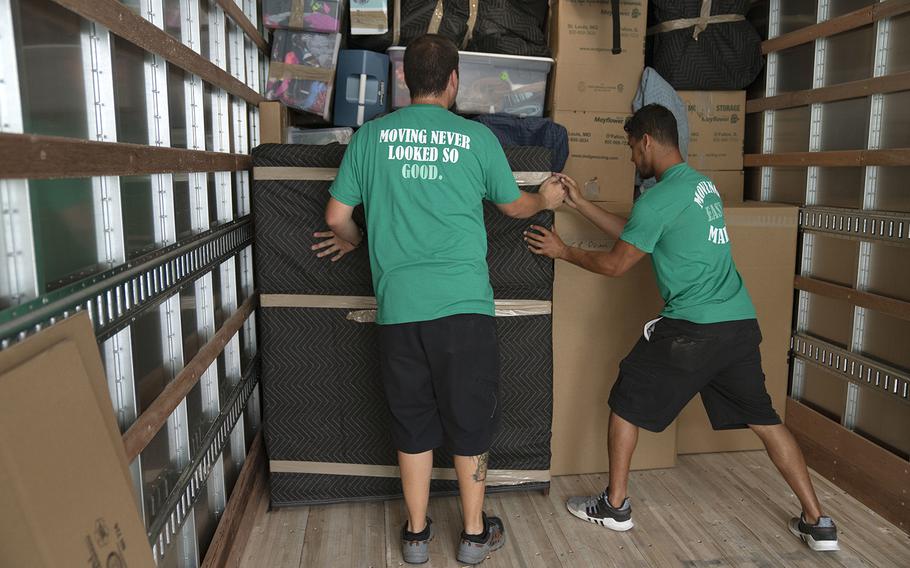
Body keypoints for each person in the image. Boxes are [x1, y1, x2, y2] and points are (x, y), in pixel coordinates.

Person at [523, 104, 839, 553]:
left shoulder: (659, 198)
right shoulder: (699, 187)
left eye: (633, 149)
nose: (633, 159)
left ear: (648, 141)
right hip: (737, 324)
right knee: (766, 420)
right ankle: (818, 520)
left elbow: (617, 263)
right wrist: (580, 204)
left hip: (694, 329)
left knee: (626, 401)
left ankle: (614, 507)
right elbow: (642, 234)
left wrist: (562, 251)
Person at [312, 34, 566, 565]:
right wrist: (544, 197)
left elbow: (336, 219)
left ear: (404, 81)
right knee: (470, 420)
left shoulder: (370, 138)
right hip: (464, 308)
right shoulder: (476, 139)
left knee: (412, 422)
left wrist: (355, 239)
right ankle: (474, 535)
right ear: (454, 82)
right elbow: (514, 207)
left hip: (400, 309)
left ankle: (416, 535)